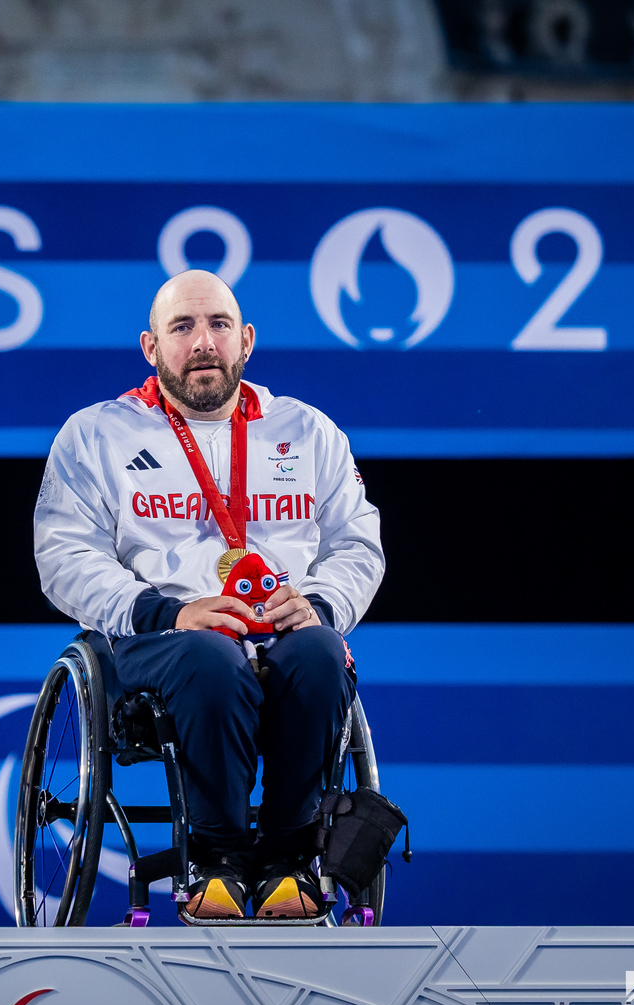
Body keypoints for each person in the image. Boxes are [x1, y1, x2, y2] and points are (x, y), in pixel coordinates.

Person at [33, 270, 385, 921]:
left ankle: (289, 862)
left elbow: (358, 543)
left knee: (320, 652)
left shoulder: (308, 432)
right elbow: (64, 555)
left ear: (245, 339)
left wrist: (321, 606)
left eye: (218, 324)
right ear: (150, 346)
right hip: (160, 644)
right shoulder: (97, 434)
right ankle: (215, 860)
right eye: (182, 327)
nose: (203, 341)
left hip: (284, 639)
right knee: (208, 656)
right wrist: (168, 611)